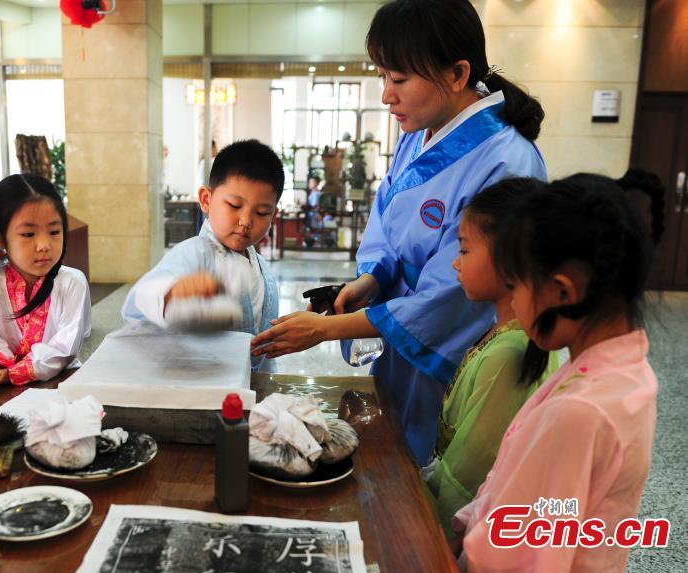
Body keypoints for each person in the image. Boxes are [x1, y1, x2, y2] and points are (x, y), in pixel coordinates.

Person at [250, 0, 547, 465]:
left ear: (457, 73)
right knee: (396, 457)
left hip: (454, 347)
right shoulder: (419, 131)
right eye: (383, 76)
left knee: (442, 473)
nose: (386, 95)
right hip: (402, 332)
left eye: (399, 79)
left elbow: (453, 295)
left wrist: (326, 330)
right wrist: (370, 281)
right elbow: (387, 222)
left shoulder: (507, 162)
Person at [454, 170, 664, 573]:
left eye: (515, 286)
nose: (512, 302)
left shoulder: (580, 411)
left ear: (564, 293)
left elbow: (520, 557)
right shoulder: (621, 370)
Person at [424, 178, 558, 538]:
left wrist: (428, 532)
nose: (455, 263)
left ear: (508, 259)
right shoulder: (503, 334)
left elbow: (466, 476)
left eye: (465, 250)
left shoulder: (510, 355)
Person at [122, 139, 282, 371]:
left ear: (273, 214)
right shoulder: (193, 253)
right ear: (207, 200)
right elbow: (140, 299)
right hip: (206, 388)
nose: (246, 221)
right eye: (234, 206)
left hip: (254, 391)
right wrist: (172, 294)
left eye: (261, 212)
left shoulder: (263, 268)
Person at [0, 174, 91, 391]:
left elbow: (64, 349)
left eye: (54, 232)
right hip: (4, 389)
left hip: (62, 384)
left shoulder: (72, 282)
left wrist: (8, 375)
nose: (44, 245)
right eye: (28, 233)